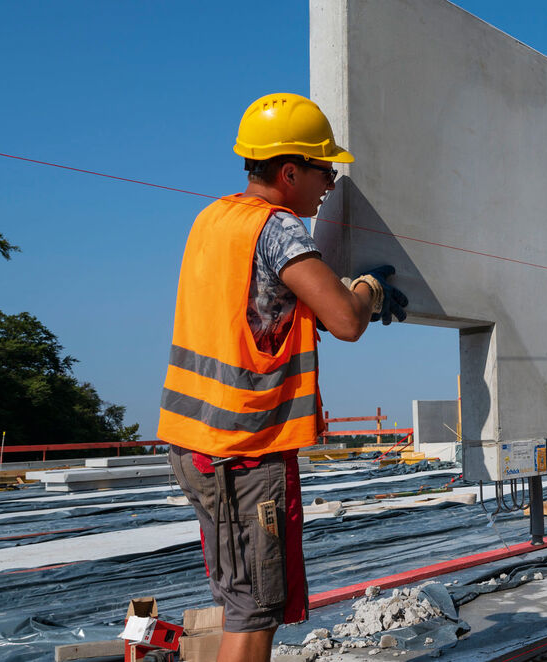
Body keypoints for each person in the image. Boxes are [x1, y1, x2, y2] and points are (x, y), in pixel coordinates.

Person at [157, 93, 407, 662]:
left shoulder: (215, 220)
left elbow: (264, 308)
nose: (330, 183)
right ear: (289, 170)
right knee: (255, 613)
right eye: (326, 170)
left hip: (198, 446)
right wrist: (367, 289)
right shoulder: (278, 230)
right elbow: (345, 320)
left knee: (242, 599)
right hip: (242, 453)